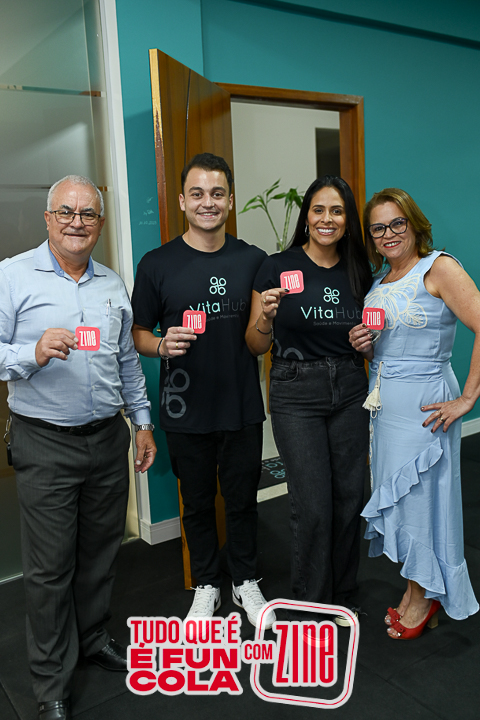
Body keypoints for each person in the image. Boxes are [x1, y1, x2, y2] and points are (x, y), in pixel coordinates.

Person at [0, 175, 156, 720]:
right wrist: (32, 352)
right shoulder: (12, 276)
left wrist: (141, 422)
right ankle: (51, 684)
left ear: (100, 224)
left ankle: (91, 638)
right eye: (65, 212)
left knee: (99, 555)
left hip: (108, 439)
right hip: (45, 442)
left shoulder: (111, 284)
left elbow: (127, 361)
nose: (76, 222)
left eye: (87, 214)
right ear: (48, 219)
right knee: (49, 570)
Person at [131, 153, 275, 629]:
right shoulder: (156, 264)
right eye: (197, 193)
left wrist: (267, 320)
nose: (207, 202)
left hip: (240, 405)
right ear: (182, 201)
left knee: (242, 500)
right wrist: (160, 344)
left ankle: (245, 579)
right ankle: (207, 584)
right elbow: (137, 333)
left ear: (230, 200)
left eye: (217, 193)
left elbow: (258, 341)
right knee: (195, 504)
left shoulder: (254, 260)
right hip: (184, 407)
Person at [349, 187, 479, 639]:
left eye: (396, 223)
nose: (388, 233)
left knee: (423, 498)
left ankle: (425, 596)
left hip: (426, 404)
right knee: (404, 500)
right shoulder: (379, 281)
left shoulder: (438, 267)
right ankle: (416, 587)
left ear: (414, 224)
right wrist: (364, 345)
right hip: (385, 406)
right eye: (378, 228)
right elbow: (388, 345)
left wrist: (468, 398)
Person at [246, 176, 372, 623]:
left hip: (350, 386)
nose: (327, 219)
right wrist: (265, 317)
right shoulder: (276, 266)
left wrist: (367, 343)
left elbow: (372, 341)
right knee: (313, 503)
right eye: (318, 209)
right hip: (295, 390)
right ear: (306, 216)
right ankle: (313, 602)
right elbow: (256, 345)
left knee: (350, 497)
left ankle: (342, 592)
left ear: (347, 219)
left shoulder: (359, 270)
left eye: (337, 211)